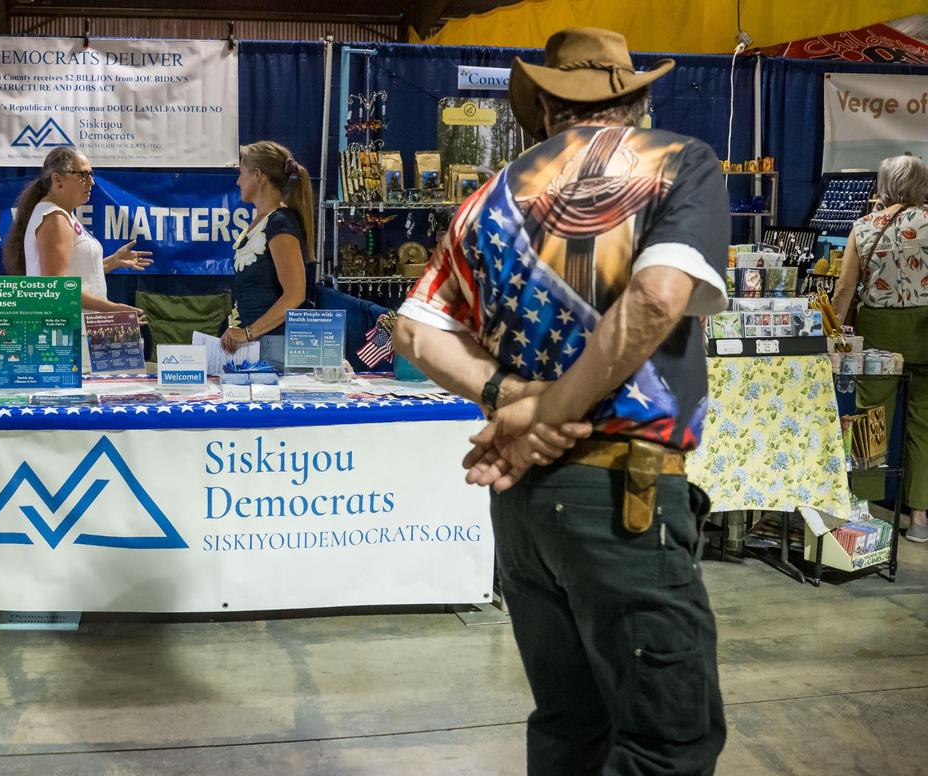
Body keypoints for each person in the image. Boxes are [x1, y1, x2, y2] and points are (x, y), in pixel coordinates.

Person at [394, 28, 729, 774]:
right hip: (623, 494)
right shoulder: (678, 162)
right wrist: (543, 412)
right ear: (637, 99)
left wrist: (511, 399)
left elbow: (413, 331)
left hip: (524, 505)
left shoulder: (485, 199)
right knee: (666, 740)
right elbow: (656, 299)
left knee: (568, 725)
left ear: (541, 109)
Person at [832, 154, 928, 542]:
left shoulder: (864, 226)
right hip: (925, 329)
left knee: (871, 417)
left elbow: (844, 289)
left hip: (879, 331)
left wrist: (835, 333)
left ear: (883, 183)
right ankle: (919, 517)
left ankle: (864, 507)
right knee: (924, 423)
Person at [3, 146, 151, 313]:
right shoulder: (55, 219)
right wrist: (112, 308)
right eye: (83, 174)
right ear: (57, 179)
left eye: (91, 174)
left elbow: (73, 275)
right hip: (67, 329)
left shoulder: (60, 214)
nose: (91, 182)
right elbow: (56, 288)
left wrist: (111, 262)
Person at [220, 140, 316, 360]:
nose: (237, 181)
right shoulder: (261, 222)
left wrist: (248, 332)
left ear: (257, 175)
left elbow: (295, 294)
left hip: (273, 346)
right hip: (254, 344)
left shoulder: (280, 222)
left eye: (241, 173)